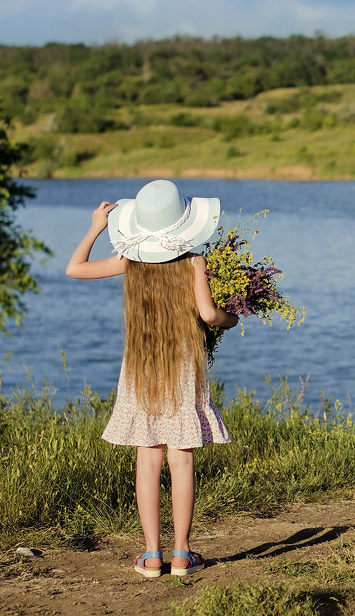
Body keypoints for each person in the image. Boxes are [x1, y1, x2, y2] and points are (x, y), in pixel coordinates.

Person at [66, 180, 238, 579]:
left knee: (148, 458)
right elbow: (210, 315)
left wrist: (95, 227)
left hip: (142, 364)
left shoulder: (131, 260)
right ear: (183, 224)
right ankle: (182, 554)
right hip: (183, 364)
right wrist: (234, 318)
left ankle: (151, 555)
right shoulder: (193, 259)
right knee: (182, 457)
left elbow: (74, 269)